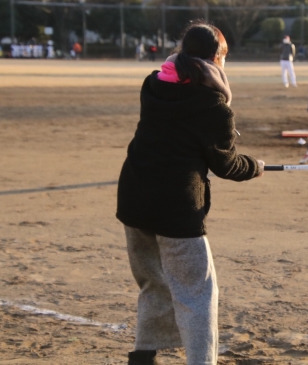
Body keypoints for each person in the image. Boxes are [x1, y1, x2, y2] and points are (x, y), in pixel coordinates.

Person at [116, 22, 264, 365]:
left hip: (134, 198)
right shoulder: (214, 106)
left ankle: (142, 358)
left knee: (155, 284)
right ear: (216, 58)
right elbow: (226, 164)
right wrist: (254, 166)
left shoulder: (153, 84)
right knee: (198, 293)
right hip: (176, 209)